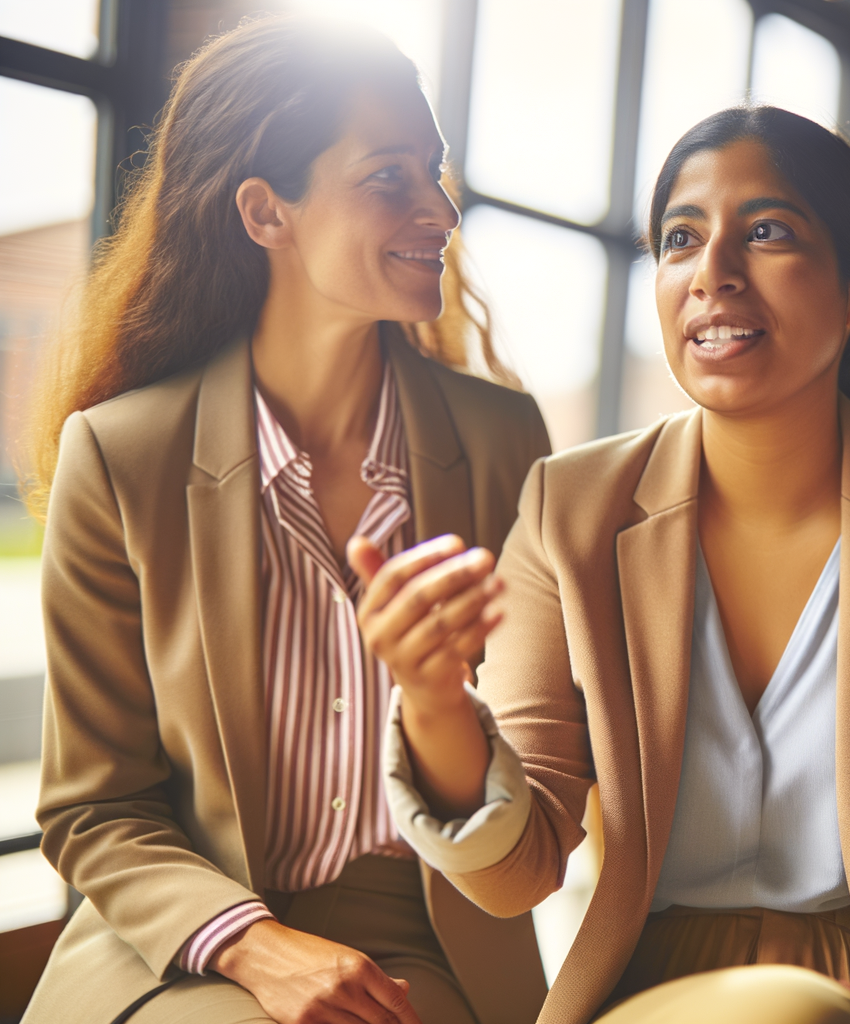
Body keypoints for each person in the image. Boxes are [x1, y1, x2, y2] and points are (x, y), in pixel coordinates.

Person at [351, 106, 850, 1024]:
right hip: (657, 995)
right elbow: (517, 873)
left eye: (767, 232)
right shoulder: (568, 510)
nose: (713, 274)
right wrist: (430, 703)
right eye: (681, 239)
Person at [24, 16, 552, 1024]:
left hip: (430, 931)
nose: (438, 211)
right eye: (387, 177)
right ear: (267, 212)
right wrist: (258, 947)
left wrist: (439, 700)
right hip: (183, 939)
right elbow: (95, 807)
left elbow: (539, 784)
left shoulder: (504, 445)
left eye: (434, 173)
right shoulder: (121, 455)